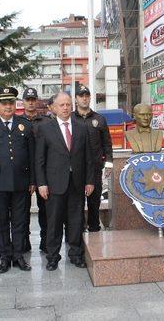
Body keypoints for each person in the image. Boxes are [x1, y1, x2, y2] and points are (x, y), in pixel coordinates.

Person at [35, 92, 94, 271]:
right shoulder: (45, 128)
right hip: (54, 185)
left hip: (76, 183)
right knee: (53, 222)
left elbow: (88, 158)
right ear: (53, 108)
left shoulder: (81, 127)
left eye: (68, 104)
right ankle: (52, 257)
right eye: (62, 105)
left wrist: (90, 181)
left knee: (76, 221)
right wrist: (41, 183)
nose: (66, 108)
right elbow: (39, 159)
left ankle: (76, 254)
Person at [0, 87, 34, 273]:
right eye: (4, 103)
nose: (8, 106)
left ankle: (18, 256)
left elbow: (31, 157)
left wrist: (32, 181)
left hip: (21, 181)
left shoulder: (25, 124)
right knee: (0, 221)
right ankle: (5, 257)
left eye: (11, 102)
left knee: (20, 221)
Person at [73, 85, 113, 233]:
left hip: (95, 167)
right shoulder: (71, 118)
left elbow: (107, 144)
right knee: (76, 202)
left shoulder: (99, 119)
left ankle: (94, 228)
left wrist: (108, 164)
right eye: (81, 96)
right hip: (75, 168)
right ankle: (78, 230)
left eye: (87, 95)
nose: (84, 98)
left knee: (94, 201)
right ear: (76, 99)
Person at [20, 87, 49, 253]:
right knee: (22, 210)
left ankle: (45, 241)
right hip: (24, 170)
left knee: (45, 209)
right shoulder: (18, 122)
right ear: (23, 102)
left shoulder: (46, 121)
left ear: (36, 101)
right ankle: (24, 241)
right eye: (27, 100)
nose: (30, 103)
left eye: (33, 99)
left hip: (43, 170)